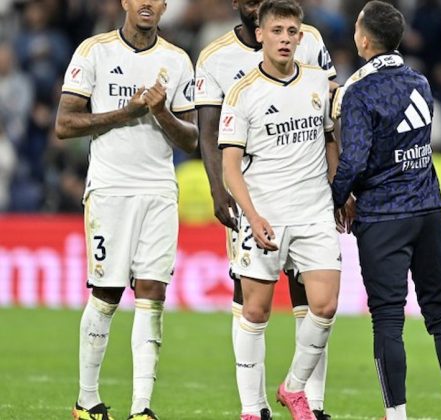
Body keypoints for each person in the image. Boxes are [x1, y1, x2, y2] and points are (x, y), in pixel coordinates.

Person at [55, 0, 198, 418]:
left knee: (153, 292)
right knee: (107, 292)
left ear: (165, 5)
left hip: (158, 190)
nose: (147, 3)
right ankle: (86, 401)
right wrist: (127, 112)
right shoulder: (94, 51)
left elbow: (191, 139)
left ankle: (141, 409)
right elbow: (65, 124)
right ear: (125, 2)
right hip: (110, 189)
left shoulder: (177, 60)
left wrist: (160, 111)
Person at [330, 2, 441, 419]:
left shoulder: (359, 91)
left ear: (363, 39)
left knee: (388, 320)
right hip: (428, 211)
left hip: (383, 217)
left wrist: (336, 198)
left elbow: (354, 161)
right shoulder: (420, 83)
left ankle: (396, 414)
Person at [194, 0, 335, 417]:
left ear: (300, 36)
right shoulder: (239, 88)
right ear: (261, 34)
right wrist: (246, 212)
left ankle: (299, 391)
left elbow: (331, 134)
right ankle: (253, 408)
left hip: (313, 210)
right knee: (254, 309)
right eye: (277, 31)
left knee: (323, 306)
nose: (285, 39)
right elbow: (226, 157)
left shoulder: (316, 77)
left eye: (291, 32)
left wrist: (340, 188)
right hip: (263, 210)